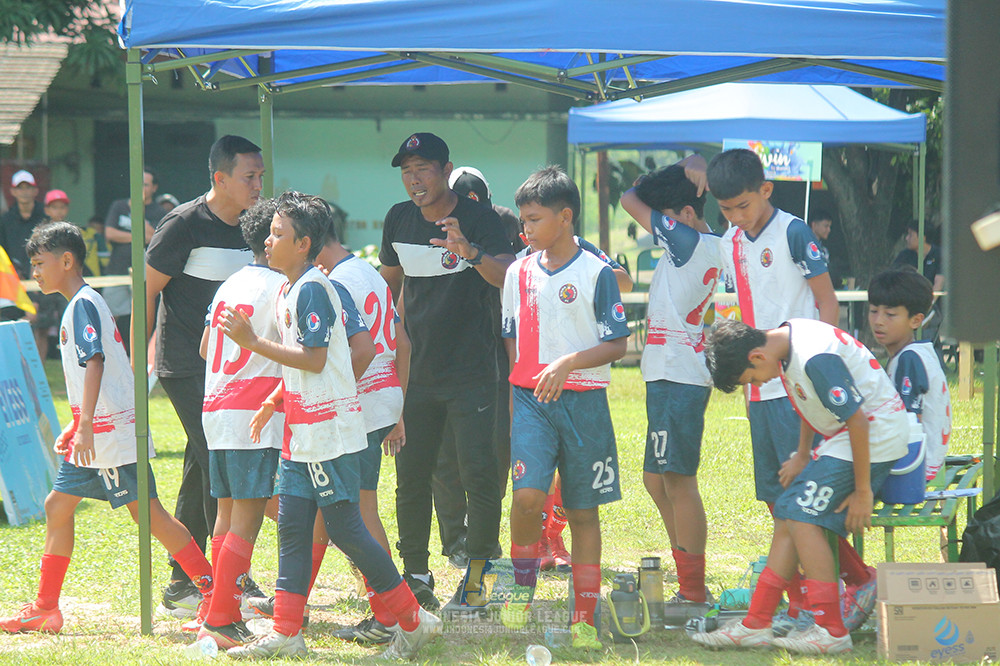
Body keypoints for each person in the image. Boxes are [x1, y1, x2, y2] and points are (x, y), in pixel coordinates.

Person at [219, 191, 441, 660]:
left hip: (327, 432)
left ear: (303, 244)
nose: (269, 239)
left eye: (278, 234)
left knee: (346, 529)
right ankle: (286, 630)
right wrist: (277, 400)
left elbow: (317, 360)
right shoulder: (291, 287)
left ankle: (413, 619)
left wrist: (253, 341)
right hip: (302, 430)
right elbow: (321, 361)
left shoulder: (314, 288)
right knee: (294, 527)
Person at [0, 222, 214, 634]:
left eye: (39, 264)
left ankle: (214, 594)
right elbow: (95, 371)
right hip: (94, 435)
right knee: (56, 507)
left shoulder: (82, 304)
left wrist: (84, 427)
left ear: (66, 260)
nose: (35, 274)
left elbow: (94, 362)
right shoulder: (80, 303)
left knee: (150, 517)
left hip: (106, 437)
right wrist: (75, 423)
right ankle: (46, 608)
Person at [708, 149, 879, 633]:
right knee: (774, 495)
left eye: (742, 205)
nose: (735, 217)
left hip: (798, 380)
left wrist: (814, 369)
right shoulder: (731, 241)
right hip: (758, 378)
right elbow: (742, 312)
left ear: (765, 190)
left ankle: (855, 580)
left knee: (800, 496)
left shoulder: (795, 232)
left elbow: (828, 304)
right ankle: (805, 599)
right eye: (725, 210)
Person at [694, 318, 907, 654]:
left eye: (750, 380)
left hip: (874, 436)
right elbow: (808, 401)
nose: (757, 386)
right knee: (787, 510)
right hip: (847, 436)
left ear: (757, 357)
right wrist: (803, 453)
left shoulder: (814, 357)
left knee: (802, 518)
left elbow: (859, 421)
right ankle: (756, 623)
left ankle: (831, 630)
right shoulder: (785, 339)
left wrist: (863, 491)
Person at [378, 132, 513, 610]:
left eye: (424, 169)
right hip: (415, 374)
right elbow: (388, 286)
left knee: (479, 474)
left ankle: (476, 575)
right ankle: (415, 574)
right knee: (411, 477)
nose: (414, 180)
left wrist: (470, 252)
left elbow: (507, 276)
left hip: (473, 371)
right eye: (406, 170)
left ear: (446, 168)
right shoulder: (398, 218)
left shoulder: (483, 219)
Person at [500, 166, 629, 649]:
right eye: (522, 219)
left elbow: (617, 343)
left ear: (565, 216)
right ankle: (521, 589)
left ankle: (583, 618)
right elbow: (511, 337)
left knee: (582, 512)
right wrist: (520, 391)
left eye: (533, 219)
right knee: (527, 498)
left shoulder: (596, 273)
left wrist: (569, 363)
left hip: (584, 403)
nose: (525, 229)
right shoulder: (517, 272)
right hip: (532, 402)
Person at [143, 136, 263, 619]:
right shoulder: (183, 225)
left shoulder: (259, 227)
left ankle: (183, 581)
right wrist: (138, 360)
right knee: (222, 460)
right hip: (189, 367)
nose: (258, 186)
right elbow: (145, 290)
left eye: (260, 176)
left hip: (234, 369)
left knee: (201, 465)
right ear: (219, 178)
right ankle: (229, 578)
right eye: (248, 177)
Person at [620, 164, 721, 604]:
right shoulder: (699, 239)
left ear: (684, 212)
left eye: (662, 218)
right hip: (667, 374)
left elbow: (627, 198)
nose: (654, 228)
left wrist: (680, 167)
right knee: (655, 480)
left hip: (680, 376)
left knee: (677, 481)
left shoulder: (689, 241)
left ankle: (693, 589)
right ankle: (686, 568)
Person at [194, 198, 285, 649]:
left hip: (216, 411)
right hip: (254, 413)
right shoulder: (281, 287)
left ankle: (215, 607)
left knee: (226, 515)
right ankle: (221, 618)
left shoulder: (229, 283)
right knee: (246, 520)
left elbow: (207, 349)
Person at [431, 165, 524, 570]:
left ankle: (483, 530)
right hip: (443, 352)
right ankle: (455, 538)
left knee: (495, 447)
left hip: (494, 350)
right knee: (446, 453)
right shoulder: (431, 224)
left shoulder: (501, 224)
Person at [869, 267, 951, 482]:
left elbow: (908, 423)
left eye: (890, 314)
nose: (878, 321)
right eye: (873, 310)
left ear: (916, 321)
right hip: (926, 460)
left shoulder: (909, 359)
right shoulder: (918, 352)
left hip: (914, 468)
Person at [104, 167, 165, 354]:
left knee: (142, 317)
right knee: (113, 316)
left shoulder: (159, 212)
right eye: (138, 183)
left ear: (154, 188)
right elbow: (109, 233)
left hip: (145, 274)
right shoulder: (119, 206)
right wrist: (137, 236)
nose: (141, 188)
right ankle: (117, 354)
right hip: (117, 271)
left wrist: (140, 220)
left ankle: (139, 355)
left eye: (146, 184)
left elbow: (155, 238)